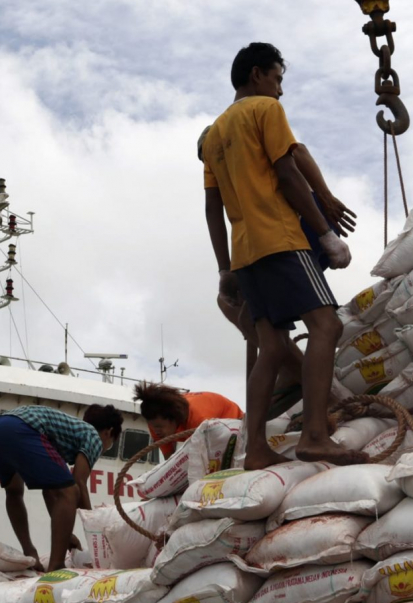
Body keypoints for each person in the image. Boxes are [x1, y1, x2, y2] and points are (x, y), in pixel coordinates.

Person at [201, 42, 354, 470]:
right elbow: (288, 170)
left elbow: (212, 208)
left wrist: (223, 267)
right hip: (281, 240)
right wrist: (324, 233)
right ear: (257, 75)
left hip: (245, 251)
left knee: (270, 346)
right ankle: (316, 435)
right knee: (328, 325)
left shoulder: (213, 136)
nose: (280, 91)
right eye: (277, 79)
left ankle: (255, 449)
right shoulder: (264, 111)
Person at [198, 125, 354, 418]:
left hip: (296, 226)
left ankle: (322, 395)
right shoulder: (231, 173)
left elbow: (299, 153)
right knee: (259, 325)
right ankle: (298, 376)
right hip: (274, 237)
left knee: (311, 325)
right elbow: (215, 213)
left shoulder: (250, 141)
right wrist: (227, 270)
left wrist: (325, 198)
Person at [0, 404, 122, 571]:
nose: (104, 450)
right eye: (110, 446)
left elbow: (51, 492)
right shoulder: (94, 436)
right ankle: (56, 565)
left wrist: (66, 535)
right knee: (70, 491)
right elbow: (78, 483)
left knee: (14, 492)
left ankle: (30, 554)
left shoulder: (63, 437)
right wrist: (95, 532)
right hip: (22, 428)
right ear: (108, 432)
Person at [133, 382, 242, 445]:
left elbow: (208, 454)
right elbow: (168, 459)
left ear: (173, 418)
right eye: (153, 426)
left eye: (159, 427)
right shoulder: (155, 423)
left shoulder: (199, 420)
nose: (156, 431)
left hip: (234, 422)